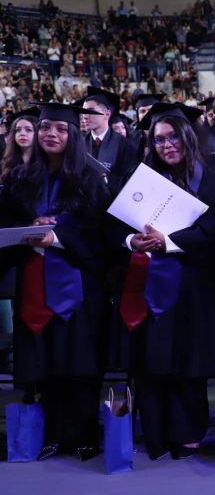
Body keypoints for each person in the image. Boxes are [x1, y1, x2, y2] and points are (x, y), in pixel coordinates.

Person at [108, 102, 215, 460]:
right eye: (159, 140)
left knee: (188, 361)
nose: (167, 145)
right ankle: (155, 433)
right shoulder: (141, 179)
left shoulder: (209, 180)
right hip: (147, 284)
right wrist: (132, 240)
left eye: (174, 137)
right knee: (151, 359)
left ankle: (187, 431)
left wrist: (167, 242)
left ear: (189, 137)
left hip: (191, 283)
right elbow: (114, 224)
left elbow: (210, 232)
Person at [0, 103, 111, 461]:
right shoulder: (19, 179)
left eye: (61, 129)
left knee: (79, 363)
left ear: (73, 135)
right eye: (45, 127)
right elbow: (6, 225)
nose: (51, 134)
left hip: (78, 286)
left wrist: (58, 236)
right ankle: (51, 435)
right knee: (44, 361)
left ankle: (84, 435)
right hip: (33, 282)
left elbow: (102, 236)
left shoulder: (90, 181)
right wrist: (27, 232)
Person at [82, 86, 138, 189]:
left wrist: (108, 180)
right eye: (84, 111)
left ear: (107, 114)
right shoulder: (79, 143)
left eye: (90, 111)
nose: (85, 116)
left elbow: (131, 180)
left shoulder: (124, 145)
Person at [0, 107, 39, 182]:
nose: (22, 133)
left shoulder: (46, 162)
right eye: (18, 130)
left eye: (28, 130)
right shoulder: (7, 161)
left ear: (37, 133)